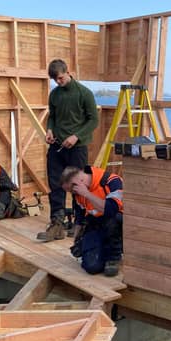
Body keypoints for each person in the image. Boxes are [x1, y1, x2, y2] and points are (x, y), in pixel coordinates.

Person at [37, 59, 98, 242]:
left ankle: (80, 223)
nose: (58, 82)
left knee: (77, 185)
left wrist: (76, 136)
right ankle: (57, 224)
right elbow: (52, 117)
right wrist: (49, 129)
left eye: (61, 78)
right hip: (56, 146)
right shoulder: (54, 94)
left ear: (68, 72)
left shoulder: (84, 93)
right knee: (55, 184)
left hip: (77, 148)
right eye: (55, 79)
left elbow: (93, 120)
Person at [60, 165, 123, 277]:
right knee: (92, 267)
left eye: (71, 190)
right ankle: (103, 249)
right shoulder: (78, 193)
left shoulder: (112, 181)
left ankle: (114, 257)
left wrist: (87, 194)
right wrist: (77, 239)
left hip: (118, 224)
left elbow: (110, 209)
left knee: (112, 220)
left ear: (78, 182)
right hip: (96, 224)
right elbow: (80, 217)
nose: (72, 194)